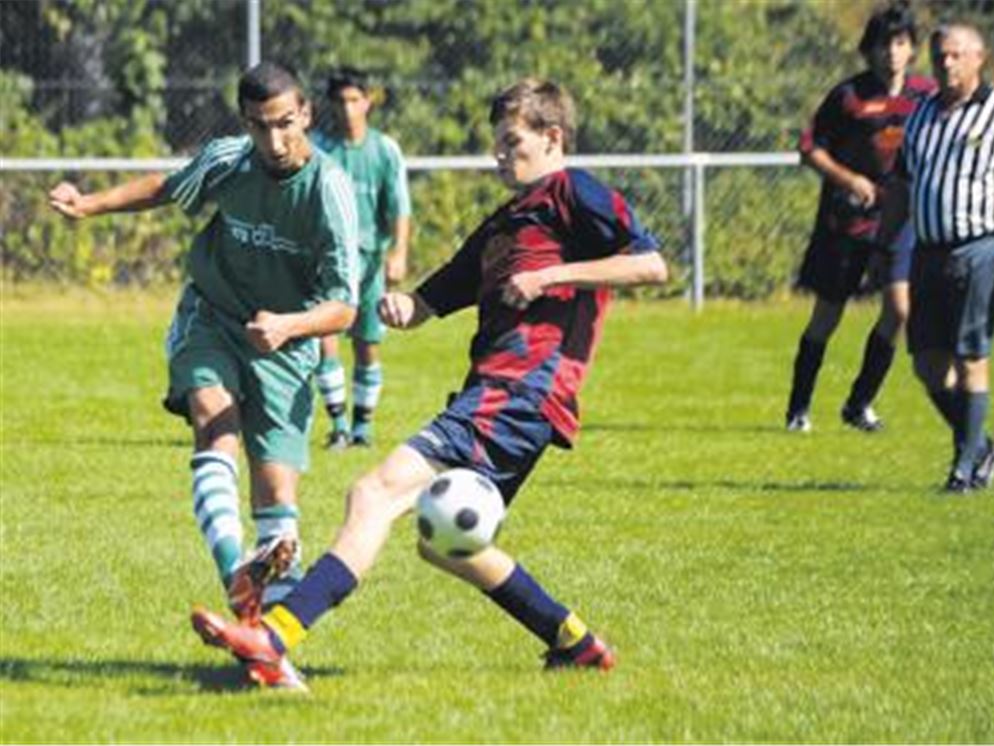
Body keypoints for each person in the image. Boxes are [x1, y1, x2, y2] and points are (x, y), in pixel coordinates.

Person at [189, 78, 669, 690]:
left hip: (519, 392)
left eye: (511, 142)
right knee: (448, 545)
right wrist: (399, 306)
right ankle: (575, 643)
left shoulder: (573, 193)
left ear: (552, 137)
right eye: (495, 143)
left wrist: (551, 276)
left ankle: (274, 634)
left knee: (374, 493)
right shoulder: (505, 223)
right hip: (504, 398)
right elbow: (431, 300)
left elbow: (651, 263)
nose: (499, 154)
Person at [48, 61, 361, 683]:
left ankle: (270, 653)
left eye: (284, 124)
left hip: (286, 345)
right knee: (213, 420)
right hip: (212, 317)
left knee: (278, 506)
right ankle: (234, 571)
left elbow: (345, 307)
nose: (272, 141)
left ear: (306, 116)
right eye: (257, 126)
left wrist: (289, 326)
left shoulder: (329, 189)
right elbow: (168, 186)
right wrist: (90, 204)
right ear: (244, 123)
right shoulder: (230, 159)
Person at [877, 23, 994, 492]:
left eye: (957, 55)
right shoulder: (918, 116)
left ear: (980, 58)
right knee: (928, 364)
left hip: (981, 248)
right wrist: (883, 242)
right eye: (940, 56)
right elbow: (901, 183)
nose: (947, 64)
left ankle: (962, 471)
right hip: (929, 251)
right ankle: (981, 447)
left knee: (970, 357)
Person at [785, 1, 935, 433]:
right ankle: (799, 409)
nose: (892, 52)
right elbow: (809, 148)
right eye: (884, 43)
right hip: (847, 223)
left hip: (900, 222)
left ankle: (859, 403)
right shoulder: (848, 97)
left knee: (900, 310)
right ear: (869, 50)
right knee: (827, 315)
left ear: (912, 49)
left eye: (901, 42)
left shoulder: (924, 97)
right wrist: (849, 180)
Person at [311, 67, 413, 450]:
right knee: (326, 338)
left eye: (355, 100)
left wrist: (399, 252)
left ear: (368, 102)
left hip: (370, 263)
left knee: (367, 344)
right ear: (330, 105)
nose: (348, 108)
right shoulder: (318, 147)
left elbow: (399, 207)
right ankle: (337, 424)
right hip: (327, 261)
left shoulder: (385, 150)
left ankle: (363, 430)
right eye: (340, 101)